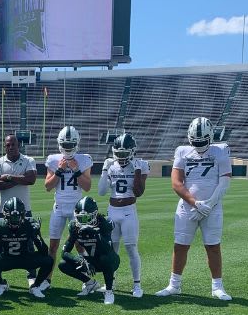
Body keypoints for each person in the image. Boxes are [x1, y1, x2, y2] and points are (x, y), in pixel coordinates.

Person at [155, 117, 233, 301]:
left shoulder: (221, 150)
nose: (198, 144)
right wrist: (195, 203)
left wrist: (210, 203)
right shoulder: (182, 151)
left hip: (212, 207)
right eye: (195, 141)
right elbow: (176, 182)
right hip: (187, 207)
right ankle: (174, 285)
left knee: (213, 246)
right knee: (180, 246)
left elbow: (225, 180)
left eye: (202, 141)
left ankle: (217, 287)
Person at [98, 133, 149, 297]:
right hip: (112, 211)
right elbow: (101, 192)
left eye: (124, 154)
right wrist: (105, 170)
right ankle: (110, 282)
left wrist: (137, 170)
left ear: (132, 152)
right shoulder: (111, 165)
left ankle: (137, 285)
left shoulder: (140, 164)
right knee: (112, 249)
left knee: (131, 248)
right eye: (118, 154)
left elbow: (139, 192)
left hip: (128, 211)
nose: (120, 157)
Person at [43, 125, 93, 291]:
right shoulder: (53, 159)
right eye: (65, 145)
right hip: (58, 207)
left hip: (77, 210)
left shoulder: (84, 159)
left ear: (77, 144)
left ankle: (88, 281)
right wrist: (59, 170)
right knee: (53, 246)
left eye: (71, 145)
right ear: (59, 144)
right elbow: (47, 187)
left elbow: (87, 187)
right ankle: (47, 280)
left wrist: (76, 170)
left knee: (80, 246)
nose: (68, 149)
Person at [0, 197, 53, 298]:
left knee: (48, 260)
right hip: (6, 258)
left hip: (25, 258)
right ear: (5, 215)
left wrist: (37, 237)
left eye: (17, 218)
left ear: (23, 215)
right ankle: (1, 283)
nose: (14, 221)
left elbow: (44, 252)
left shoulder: (29, 223)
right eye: (12, 218)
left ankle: (35, 286)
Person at [0, 134, 38, 286]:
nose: (10, 147)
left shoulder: (28, 160)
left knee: (29, 243)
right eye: (8, 145)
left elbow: (31, 180)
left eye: (13, 144)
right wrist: (19, 179)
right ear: (5, 146)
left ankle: (32, 276)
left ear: (18, 145)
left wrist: (9, 177)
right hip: (3, 210)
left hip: (25, 209)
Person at [58, 196, 119, 305]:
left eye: (86, 218)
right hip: (89, 260)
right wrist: (81, 260)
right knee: (63, 265)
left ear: (95, 215)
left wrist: (95, 234)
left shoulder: (103, 223)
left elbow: (108, 250)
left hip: (108, 260)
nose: (83, 222)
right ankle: (90, 283)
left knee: (105, 258)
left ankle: (109, 291)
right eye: (80, 218)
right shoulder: (74, 226)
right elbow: (64, 253)